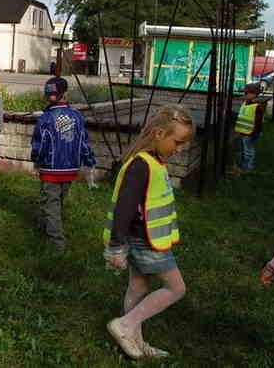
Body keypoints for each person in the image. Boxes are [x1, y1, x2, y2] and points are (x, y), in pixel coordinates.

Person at [102, 105, 195, 360]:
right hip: (146, 242)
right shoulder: (141, 166)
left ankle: (135, 339)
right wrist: (116, 246)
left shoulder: (153, 162)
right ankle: (124, 325)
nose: (179, 149)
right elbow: (124, 208)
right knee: (176, 289)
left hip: (144, 239)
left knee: (138, 286)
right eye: (177, 142)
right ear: (158, 133)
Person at [31, 77, 95, 251]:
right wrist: (89, 161)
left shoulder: (45, 119)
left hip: (50, 168)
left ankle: (57, 243)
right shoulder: (77, 117)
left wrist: (36, 161)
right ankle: (42, 227)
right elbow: (84, 142)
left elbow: (40, 144)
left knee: (51, 203)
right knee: (56, 200)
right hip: (71, 169)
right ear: (65, 94)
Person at [233, 83, 265, 174]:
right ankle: (243, 165)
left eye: (246, 93)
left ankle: (249, 167)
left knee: (248, 151)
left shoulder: (257, 106)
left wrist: (256, 133)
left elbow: (258, 122)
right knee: (243, 150)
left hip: (250, 133)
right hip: (243, 132)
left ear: (254, 94)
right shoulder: (245, 104)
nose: (245, 95)